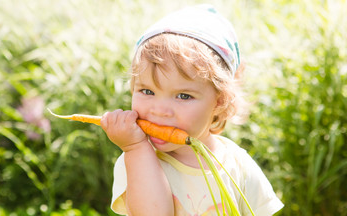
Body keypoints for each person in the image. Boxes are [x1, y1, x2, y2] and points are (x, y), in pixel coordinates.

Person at [100, 4, 284, 216]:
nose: (160, 111)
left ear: (220, 101)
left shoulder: (237, 164)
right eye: (147, 91)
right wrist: (136, 148)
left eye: (183, 96)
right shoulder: (137, 160)